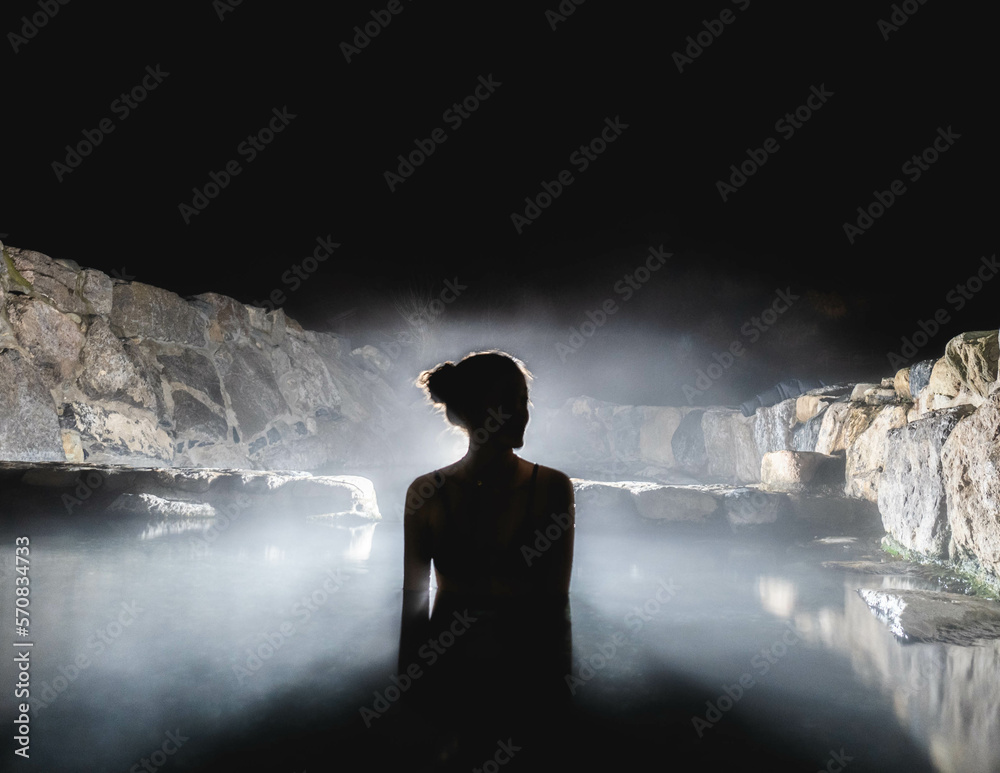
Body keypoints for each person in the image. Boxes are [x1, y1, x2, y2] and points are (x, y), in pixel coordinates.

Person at [398, 350, 575, 767]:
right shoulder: (425, 494)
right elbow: (412, 603)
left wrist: (558, 694)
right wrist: (407, 695)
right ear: (478, 410)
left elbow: (556, 603)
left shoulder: (552, 488)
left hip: (522, 676)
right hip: (451, 676)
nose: (523, 413)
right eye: (510, 401)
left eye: (525, 400)